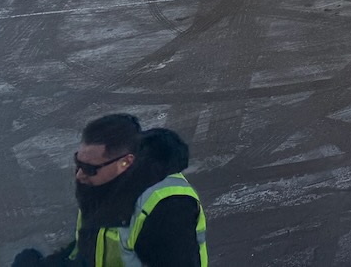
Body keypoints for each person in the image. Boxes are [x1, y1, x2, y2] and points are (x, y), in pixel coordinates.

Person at [11, 113, 207, 267]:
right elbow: (90, 252)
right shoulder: (102, 186)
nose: (79, 174)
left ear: (125, 162)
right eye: (78, 163)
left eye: (90, 168)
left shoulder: (168, 208)